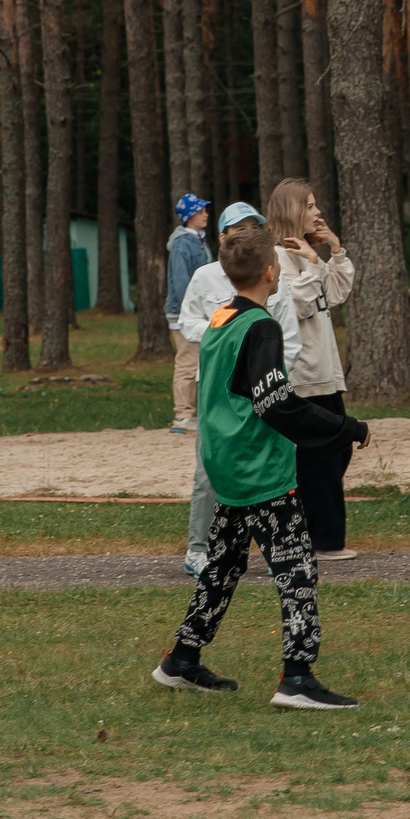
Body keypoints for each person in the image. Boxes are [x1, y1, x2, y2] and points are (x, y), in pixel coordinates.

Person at [154, 225, 372, 710]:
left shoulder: (220, 319)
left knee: (224, 566)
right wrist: (344, 427)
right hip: (259, 470)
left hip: (225, 465)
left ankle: (181, 659)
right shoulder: (262, 326)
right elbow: (276, 403)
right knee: (298, 570)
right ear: (271, 271)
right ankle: (297, 677)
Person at [174, 202, 303, 578]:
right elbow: (188, 322)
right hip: (216, 388)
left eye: (253, 227)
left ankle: (274, 546)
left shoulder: (273, 274)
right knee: (208, 471)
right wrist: (226, 340)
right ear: (223, 237)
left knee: (271, 466)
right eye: (238, 228)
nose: (246, 234)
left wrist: (269, 378)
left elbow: (289, 341)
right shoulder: (204, 277)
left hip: (263, 391)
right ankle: (199, 549)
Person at [265, 179, 359, 560]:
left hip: (324, 369)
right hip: (302, 373)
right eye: (310, 206)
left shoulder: (303, 254)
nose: (317, 212)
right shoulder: (275, 256)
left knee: (337, 449)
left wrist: (331, 250)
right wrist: (310, 261)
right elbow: (299, 303)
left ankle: (307, 531)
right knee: (320, 457)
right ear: (291, 211)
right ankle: (325, 542)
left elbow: (335, 293)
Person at [165, 194, 213, 433]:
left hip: (199, 314)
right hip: (185, 314)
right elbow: (183, 283)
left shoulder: (198, 240)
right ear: (190, 216)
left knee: (198, 363)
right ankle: (183, 415)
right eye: (201, 211)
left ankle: (194, 413)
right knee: (187, 363)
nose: (206, 214)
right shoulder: (183, 244)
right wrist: (193, 312)